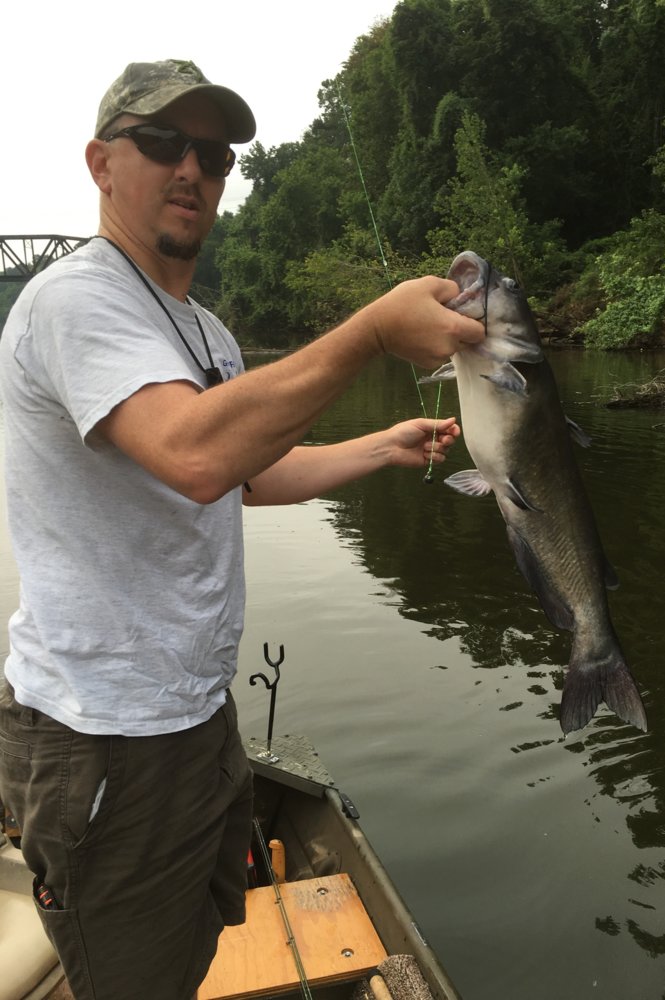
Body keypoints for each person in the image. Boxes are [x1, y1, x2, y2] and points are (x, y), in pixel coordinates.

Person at [0, 59, 484, 999]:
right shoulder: (72, 300)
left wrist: (380, 446)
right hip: (103, 738)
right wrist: (370, 333)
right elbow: (194, 453)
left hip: (193, 714)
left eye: (214, 155)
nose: (192, 168)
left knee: (195, 945)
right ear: (101, 163)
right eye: (162, 143)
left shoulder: (205, 334)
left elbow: (244, 475)